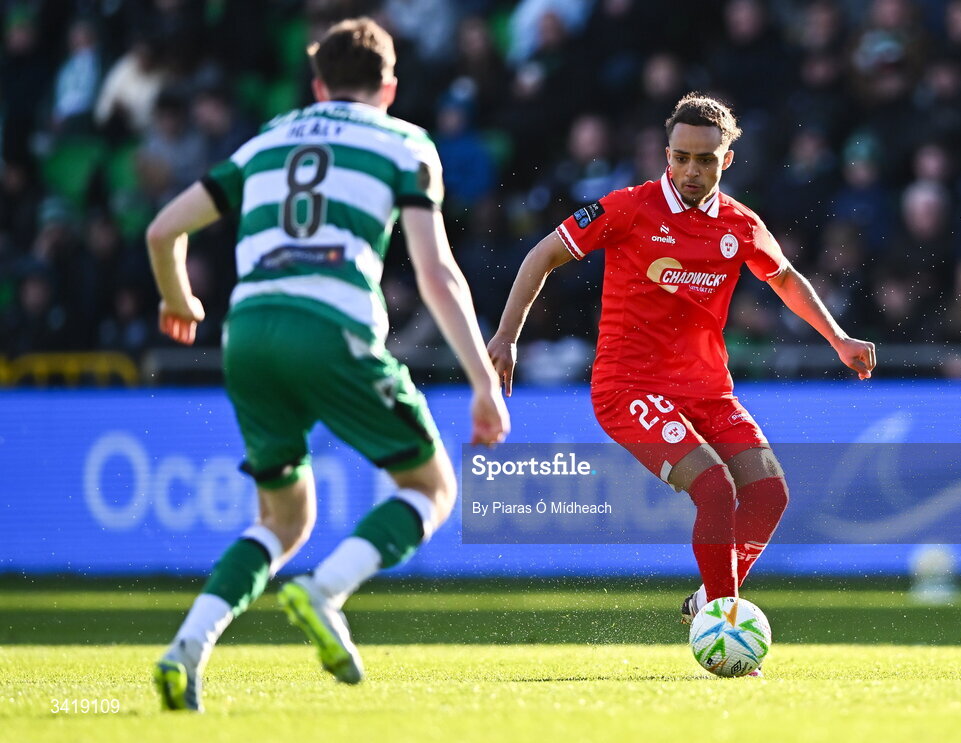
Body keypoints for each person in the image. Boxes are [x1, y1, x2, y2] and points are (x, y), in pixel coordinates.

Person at [147, 18, 509, 712]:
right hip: (332, 325)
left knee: (283, 518)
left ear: (317, 85)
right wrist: (483, 380)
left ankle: (186, 646)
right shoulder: (404, 141)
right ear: (390, 86)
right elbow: (435, 275)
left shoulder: (268, 139)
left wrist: (180, 297)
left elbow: (164, 229)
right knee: (430, 486)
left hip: (246, 331)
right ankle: (325, 589)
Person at [487, 94, 875, 672]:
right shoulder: (626, 208)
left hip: (708, 389)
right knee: (715, 488)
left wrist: (838, 338)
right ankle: (723, 623)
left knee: (769, 493)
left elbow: (786, 278)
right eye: (681, 157)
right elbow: (542, 254)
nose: (692, 170)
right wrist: (507, 334)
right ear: (666, 154)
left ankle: (707, 599)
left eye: (705, 160)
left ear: (727, 161)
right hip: (628, 387)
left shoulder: (740, 224)